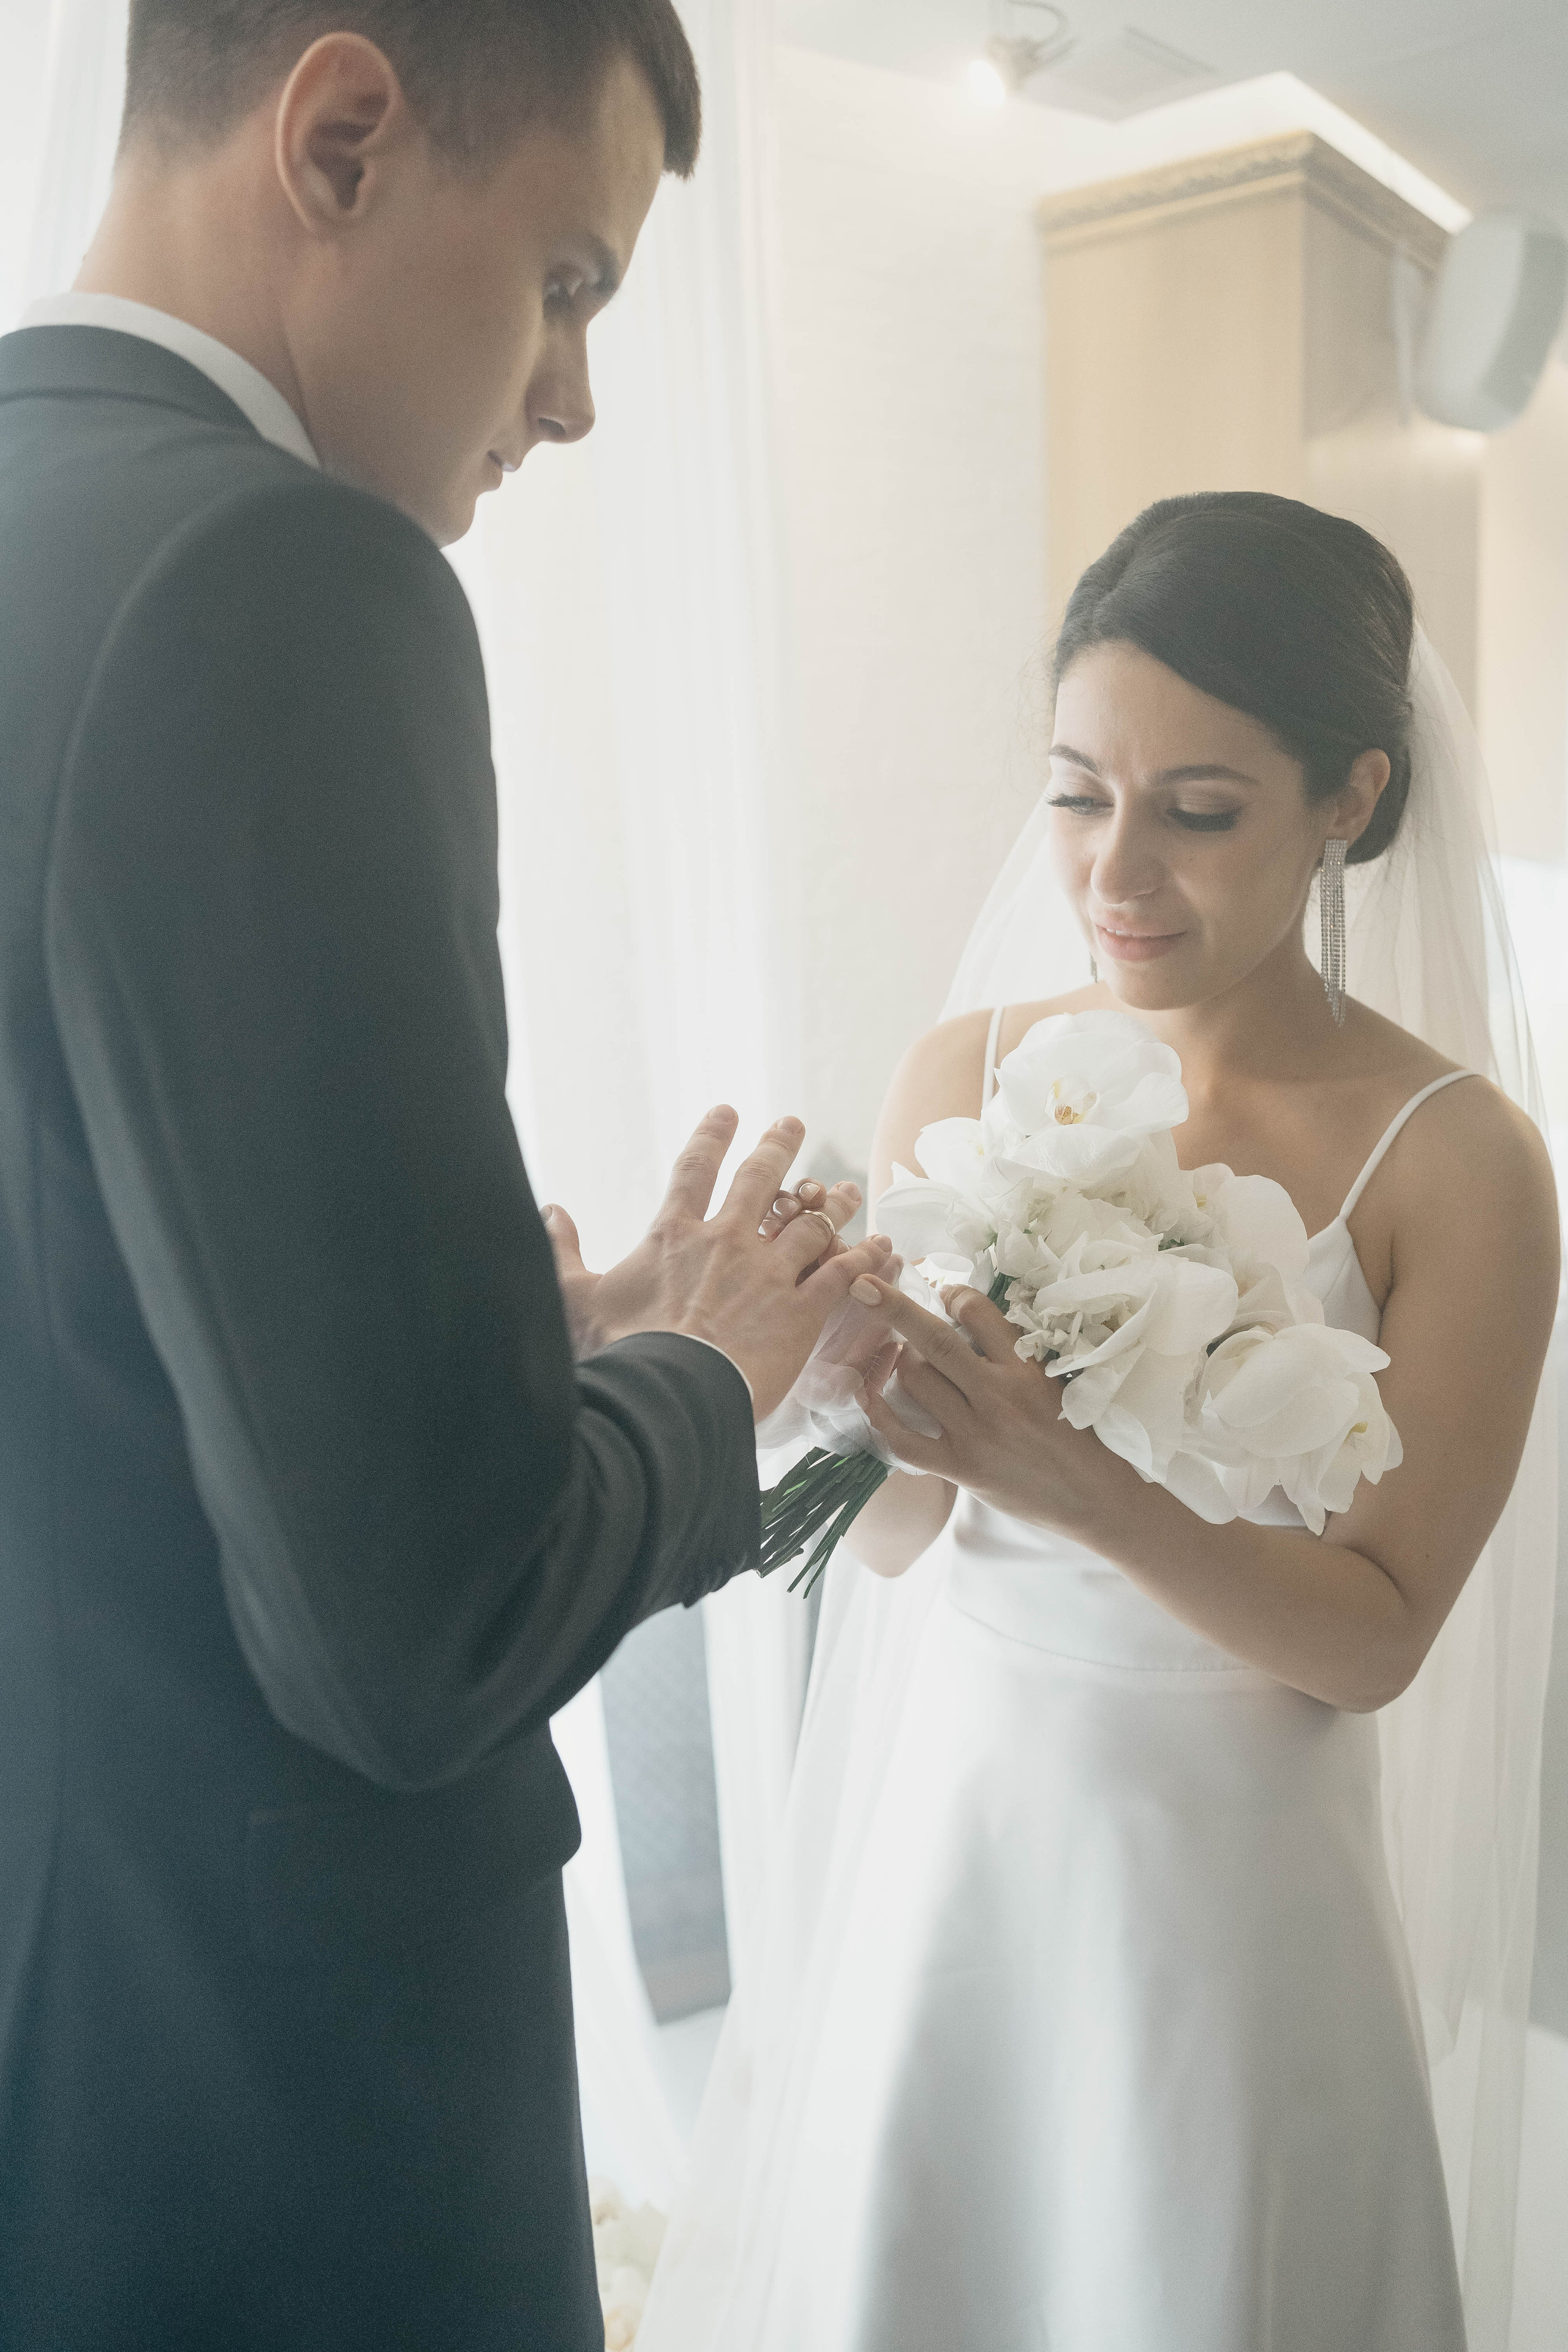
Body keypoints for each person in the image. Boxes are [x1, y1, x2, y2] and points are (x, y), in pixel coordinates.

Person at [0, 5, 893, 2346]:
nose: (576, 398)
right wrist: (695, 1370)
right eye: (574, 280)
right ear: (346, 133)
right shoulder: (274, 586)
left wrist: (487, 1373)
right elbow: (419, 1641)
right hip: (257, 2105)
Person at [641, 493, 1560, 2352]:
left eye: (1198, 811)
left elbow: (1377, 1641)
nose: (1115, 872)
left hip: (1234, 1901)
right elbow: (909, 1541)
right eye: (1079, 793)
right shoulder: (966, 1075)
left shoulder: (1461, 1162)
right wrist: (843, 1397)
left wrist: (1076, 1484)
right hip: (965, 1849)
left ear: (1353, 801)